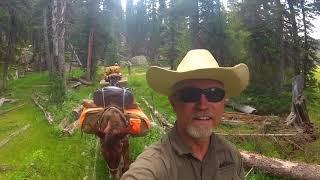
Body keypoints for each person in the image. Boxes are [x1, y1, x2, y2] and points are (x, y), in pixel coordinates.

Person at [121, 49, 249, 180]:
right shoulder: (155, 164)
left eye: (214, 93)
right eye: (190, 94)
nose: (203, 105)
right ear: (174, 103)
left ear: (223, 102)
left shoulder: (231, 155)